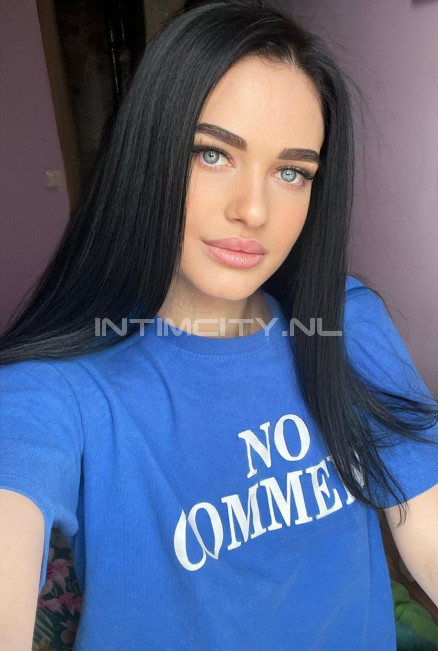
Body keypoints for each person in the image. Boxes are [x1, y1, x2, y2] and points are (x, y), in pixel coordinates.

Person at [0, 1, 437, 648]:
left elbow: (425, 522)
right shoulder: (58, 387)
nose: (254, 210)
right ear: (147, 155)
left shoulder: (345, 320)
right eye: (212, 154)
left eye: (291, 172)